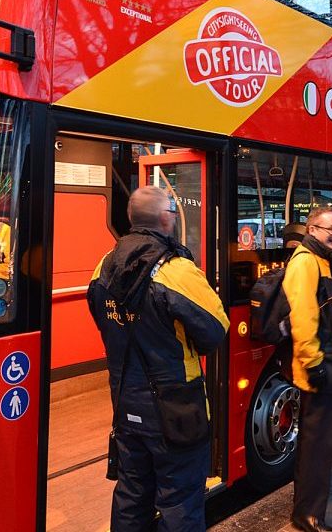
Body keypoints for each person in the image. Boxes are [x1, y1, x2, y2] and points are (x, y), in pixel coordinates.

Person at [87, 187, 229, 532]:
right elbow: (216, 330)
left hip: (124, 403)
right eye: (174, 211)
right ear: (166, 218)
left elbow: (104, 321)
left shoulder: (102, 267)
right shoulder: (177, 270)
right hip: (176, 411)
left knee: (131, 495)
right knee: (179, 502)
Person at [281, 207, 332, 532]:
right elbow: (304, 318)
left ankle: (310, 510)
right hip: (316, 368)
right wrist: (315, 364)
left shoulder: (320, 258)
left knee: (319, 445)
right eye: (329, 229)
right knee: (315, 446)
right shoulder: (306, 262)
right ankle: (307, 516)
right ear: (311, 228)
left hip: (325, 362)